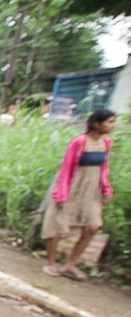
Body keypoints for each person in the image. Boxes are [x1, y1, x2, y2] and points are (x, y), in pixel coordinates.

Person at [42, 109, 116, 281]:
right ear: (97, 124)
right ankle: (51, 263)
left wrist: (106, 188)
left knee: (92, 226)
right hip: (73, 187)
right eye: (109, 122)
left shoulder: (105, 143)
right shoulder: (79, 142)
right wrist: (61, 192)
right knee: (58, 226)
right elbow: (66, 167)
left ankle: (70, 264)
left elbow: (104, 168)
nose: (112, 126)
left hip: (91, 191)